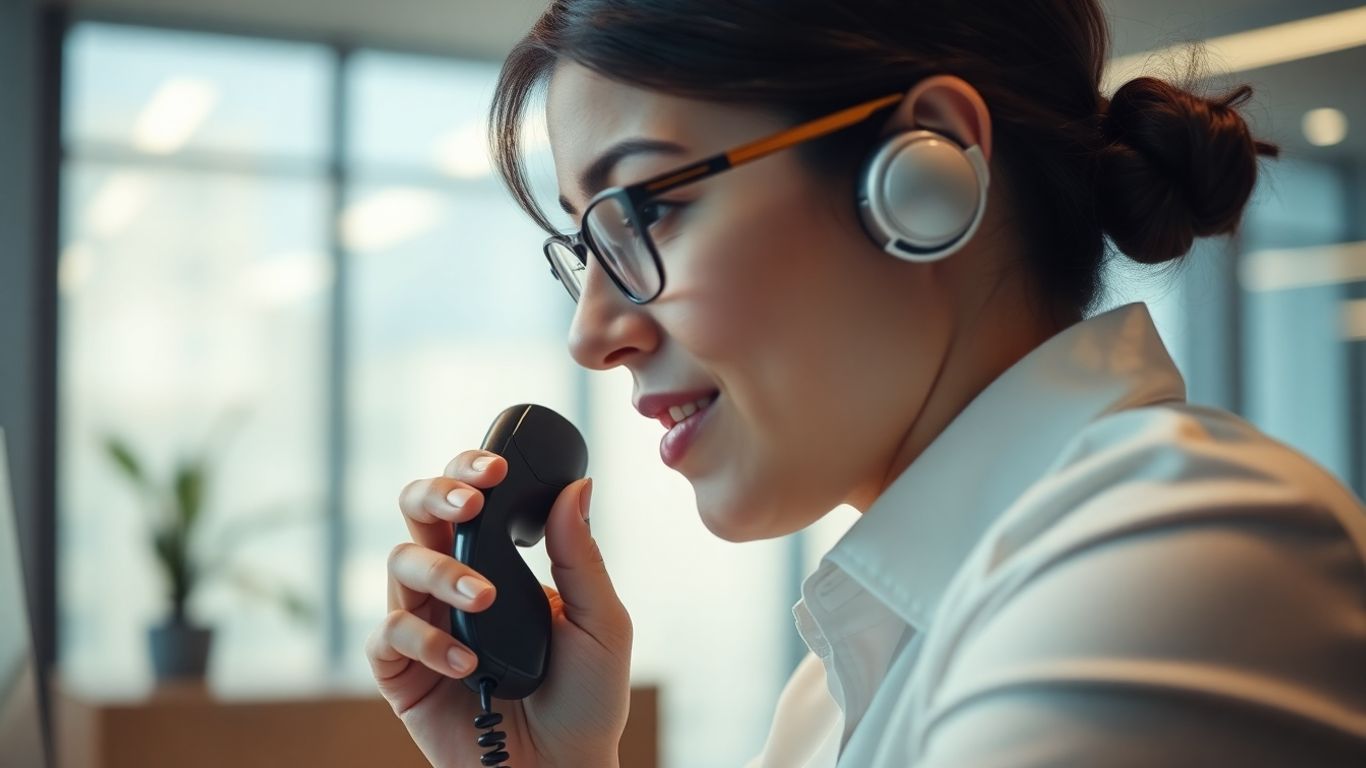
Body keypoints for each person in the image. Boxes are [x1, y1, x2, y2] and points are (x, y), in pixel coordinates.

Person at [365, 1, 1366, 765]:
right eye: (581, 246)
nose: (594, 333)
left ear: (925, 165)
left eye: (644, 213)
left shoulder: (1182, 557)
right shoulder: (837, 687)